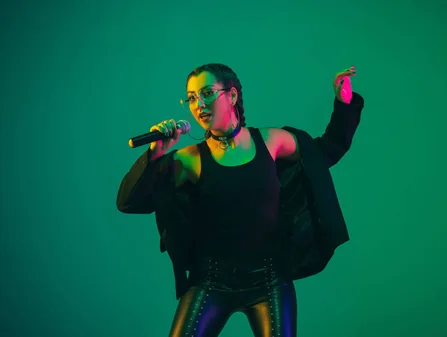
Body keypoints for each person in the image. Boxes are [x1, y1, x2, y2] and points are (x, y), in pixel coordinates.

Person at [116, 63, 364, 337]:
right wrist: (154, 154)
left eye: (207, 93)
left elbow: (324, 152)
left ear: (232, 96)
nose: (198, 104)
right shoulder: (189, 160)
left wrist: (345, 104)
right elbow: (129, 202)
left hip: (269, 281)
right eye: (191, 98)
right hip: (210, 282)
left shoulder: (271, 142)